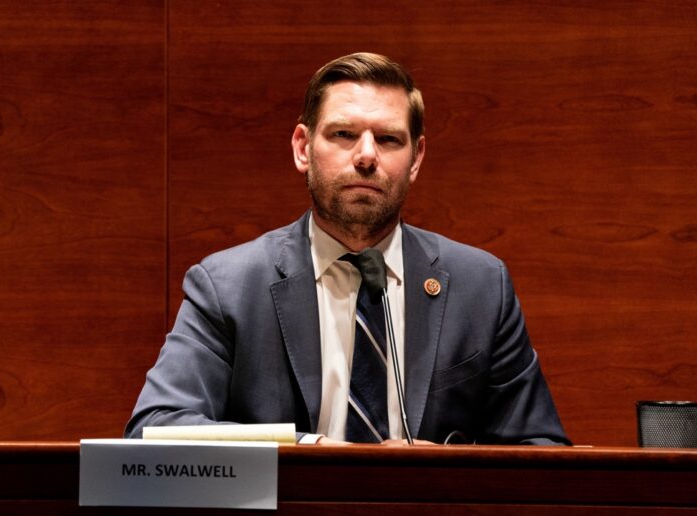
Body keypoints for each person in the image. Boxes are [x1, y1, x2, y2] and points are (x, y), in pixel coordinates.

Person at [125, 53, 569, 445]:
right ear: (303, 148)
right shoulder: (228, 286)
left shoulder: (481, 287)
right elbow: (156, 427)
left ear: (416, 159)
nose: (366, 156)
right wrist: (311, 451)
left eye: (389, 139)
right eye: (343, 133)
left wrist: (443, 470)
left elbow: (540, 449)